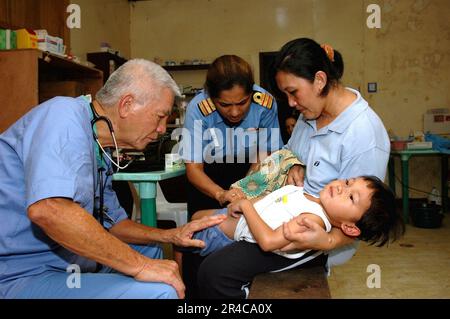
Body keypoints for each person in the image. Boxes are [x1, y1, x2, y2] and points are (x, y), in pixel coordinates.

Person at [0, 59, 226, 299]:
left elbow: (114, 225)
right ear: (126, 105)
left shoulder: (102, 149)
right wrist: (140, 266)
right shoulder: (63, 115)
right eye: (160, 117)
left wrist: (170, 235)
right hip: (22, 274)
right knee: (160, 291)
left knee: (150, 250)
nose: (162, 129)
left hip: (72, 261)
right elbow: (50, 210)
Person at [197, 38, 391, 298]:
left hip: (308, 237)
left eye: (293, 92)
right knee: (200, 225)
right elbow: (291, 154)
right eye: (284, 94)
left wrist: (325, 241)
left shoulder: (365, 136)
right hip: (280, 211)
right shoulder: (310, 111)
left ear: (319, 80)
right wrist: (293, 164)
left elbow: (363, 221)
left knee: (215, 271)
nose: (289, 103)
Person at [177, 54, 283, 297]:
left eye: (242, 102)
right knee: (199, 241)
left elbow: (266, 155)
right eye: (225, 105)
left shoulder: (264, 102)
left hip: (250, 171)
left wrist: (247, 188)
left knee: (247, 238)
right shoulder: (198, 108)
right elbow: (193, 169)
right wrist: (221, 194)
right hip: (207, 176)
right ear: (212, 98)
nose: (235, 112)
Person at [191, 176, 404, 258]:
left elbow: (268, 242)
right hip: (228, 216)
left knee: (186, 237)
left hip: (222, 234)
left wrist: (246, 206)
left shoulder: (313, 222)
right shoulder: (311, 197)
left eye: (350, 197)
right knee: (195, 216)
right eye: (348, 182)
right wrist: (244, 203)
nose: (341, 187)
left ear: (349, 227)